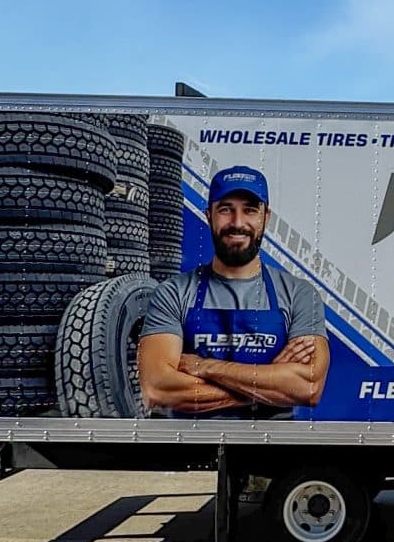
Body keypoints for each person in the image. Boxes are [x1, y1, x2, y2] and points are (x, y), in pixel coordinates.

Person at [137, 165, 330, 417]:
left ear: (265, 217)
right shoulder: (173, 293)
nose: (238, 223)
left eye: (249, 210)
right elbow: (157, 389)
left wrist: (204, 367)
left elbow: (308, 387)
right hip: (189, 447)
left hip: (271, 448)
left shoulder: (299, 295)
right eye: (226, 210)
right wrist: (268, 384)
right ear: (209, 215)